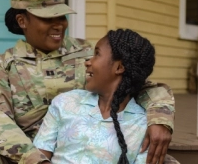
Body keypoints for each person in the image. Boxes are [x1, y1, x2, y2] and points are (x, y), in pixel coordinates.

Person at [0, 0, 176, 164]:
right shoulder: (2, 67)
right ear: (22, 20)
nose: (59, 24)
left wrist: (160, 120)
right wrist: (35, 159)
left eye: (61, 16)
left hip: (86, 141)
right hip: (24, 152)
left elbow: (141, 84)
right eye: (48, 17)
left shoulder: (87, 54)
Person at [33, 29, 172, 164]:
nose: (88, 62)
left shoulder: (142, 126)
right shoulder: (64, 102)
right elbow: (39, 156)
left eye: (97, 54)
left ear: (119, 67)